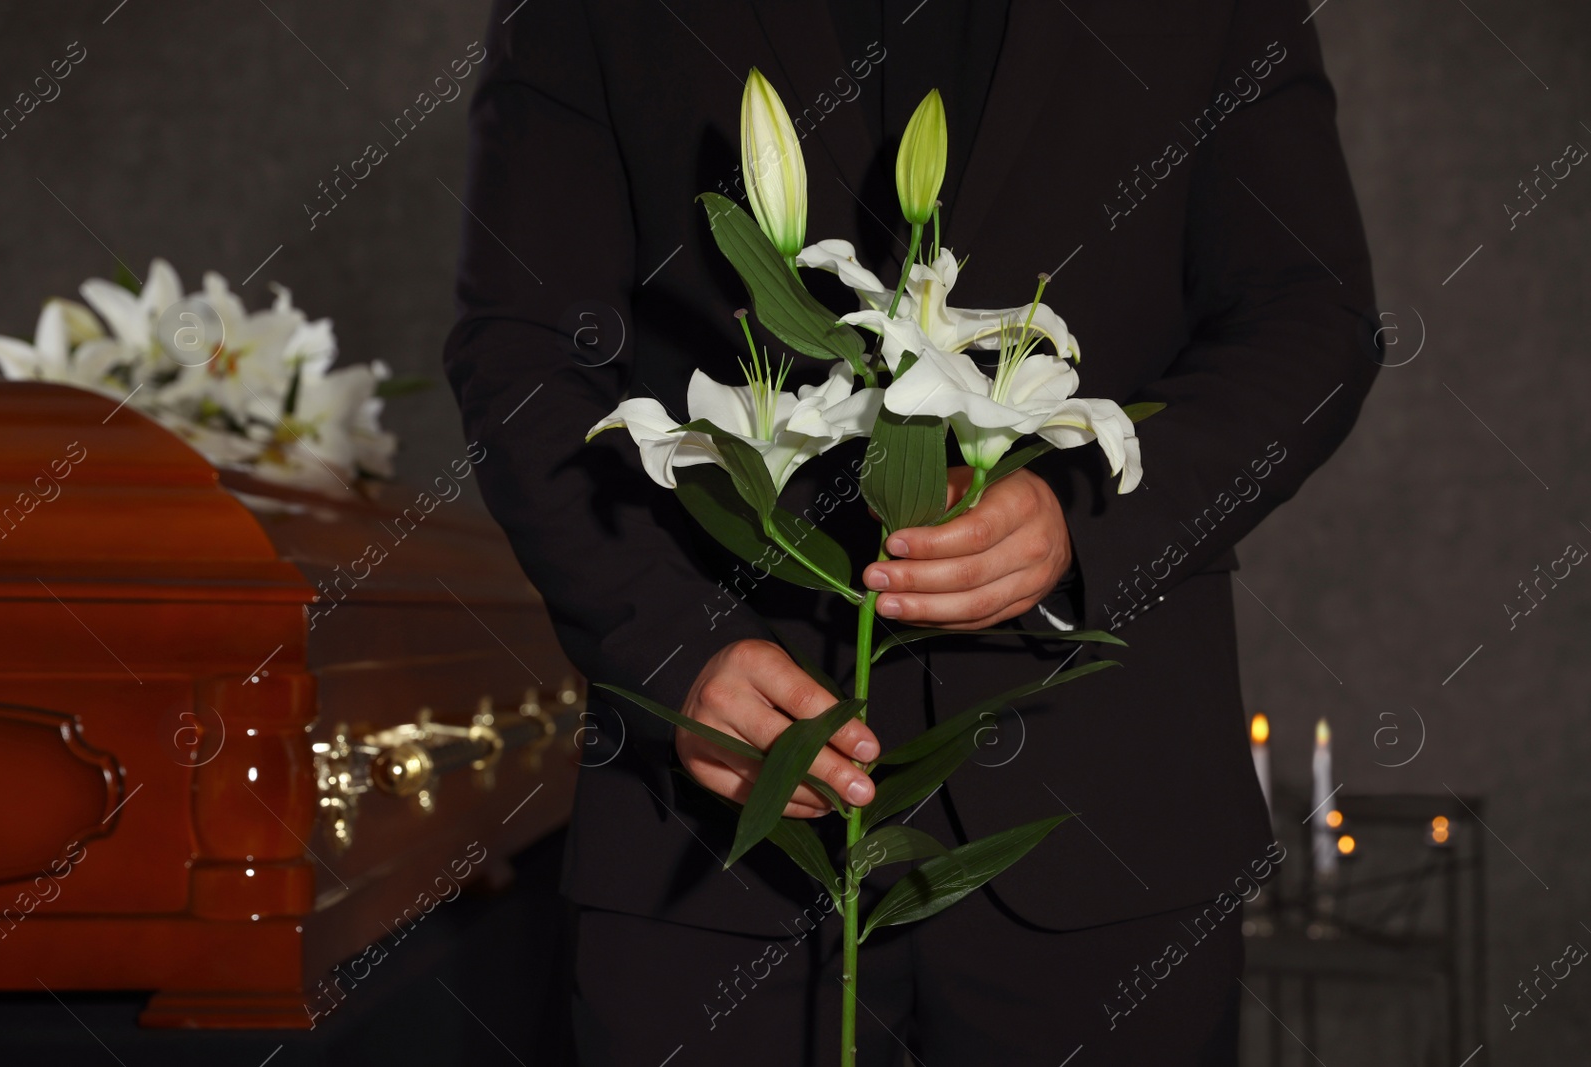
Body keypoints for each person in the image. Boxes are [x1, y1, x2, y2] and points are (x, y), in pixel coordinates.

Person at [442, 0, 1377, 1063]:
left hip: (1106, 823)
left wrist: (1087, 507)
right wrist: (667, 643)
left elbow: (1312, 315)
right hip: (712, 833)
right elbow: (521, 353)